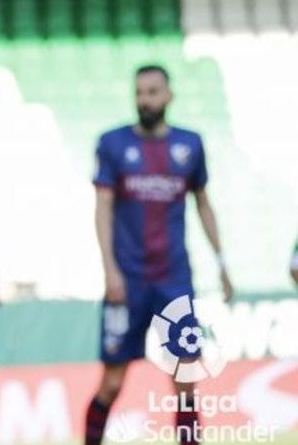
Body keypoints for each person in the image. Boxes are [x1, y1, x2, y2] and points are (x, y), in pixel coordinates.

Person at [84, 65, 233, 445]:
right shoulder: (112, 144)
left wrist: (222, 265)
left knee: (185, 377)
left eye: (152, 92)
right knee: (112, 381)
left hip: (174, 279)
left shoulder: (190, 145)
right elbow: (102, 208)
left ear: (168, 96)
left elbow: (204, 204)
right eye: (139, 93)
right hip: (129, 279)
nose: (145, 100)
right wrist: (110, 270)